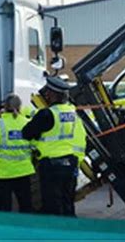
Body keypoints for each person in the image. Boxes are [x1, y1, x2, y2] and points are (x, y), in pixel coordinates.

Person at [22, 76, 86, 216]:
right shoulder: (73, 113)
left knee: (53, 205)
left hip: (52, 166)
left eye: (48, 92)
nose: (46, 95)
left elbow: (26, 133)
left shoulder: (47, 114)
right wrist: (78, 160)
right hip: (71, 164)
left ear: (52, 94)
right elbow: (81, 138)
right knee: (68, 203)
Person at [0, 93, 35, 213]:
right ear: (20, 107)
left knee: (4, 208)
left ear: (5, 107)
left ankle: (4, 231)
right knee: (26, 206)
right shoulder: (27, 123)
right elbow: (34, 145)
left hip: (4, 173)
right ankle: (25, 230)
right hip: (23, 171)